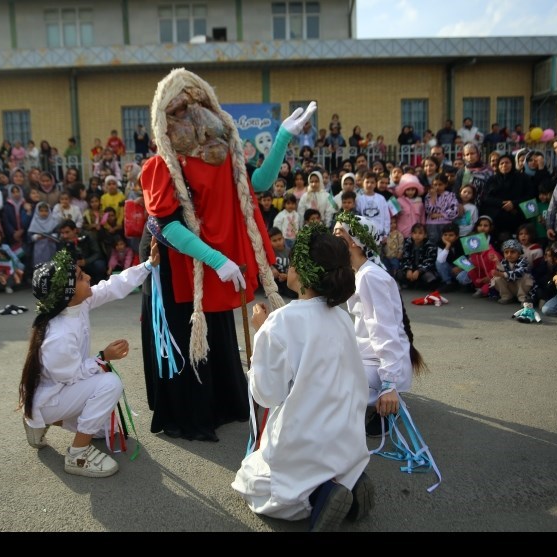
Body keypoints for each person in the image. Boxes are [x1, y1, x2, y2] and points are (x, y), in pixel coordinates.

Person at [138, 69, 308, 442]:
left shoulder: (223, 157)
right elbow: (167, 225)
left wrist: (282, 138)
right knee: (189, 332)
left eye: (198, 103)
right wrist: (216, 260)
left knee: (217, 330)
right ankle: (191, 412)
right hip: (177, 262)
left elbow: (258, 184)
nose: (193, 112)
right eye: (181, 107)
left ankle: (224, 401)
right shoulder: (162, 165)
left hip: (211, 258)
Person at [231, 223, 372, 531]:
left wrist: (261, 336)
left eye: (293, 263)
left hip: (306, 440)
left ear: (304, 272)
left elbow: (267, 394)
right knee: (328, 455)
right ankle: (348, 477)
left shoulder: (280, 321)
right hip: (348, 437)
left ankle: (320, 495)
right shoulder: (342, 317)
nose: (288, 268)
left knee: (250, 481)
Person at [18, 243, 159, 477]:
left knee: (104, 432)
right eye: (82, 277)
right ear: (68, 292)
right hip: (52, 397)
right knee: (110, 384)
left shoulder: (76, 304)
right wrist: (104, 357)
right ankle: (77, 454)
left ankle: (42, 421)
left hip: (62, 391)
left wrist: (147, 265)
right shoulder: (59, 334)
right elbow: (71, 376)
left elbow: (112, 286)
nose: (90, 277)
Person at [333, 213, 427, 438]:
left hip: (382, 363)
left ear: (354, 242)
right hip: (371, 356)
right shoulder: (359, 272)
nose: (332, 240)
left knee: (328, 383)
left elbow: (384, 331)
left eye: (338, 236)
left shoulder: (370, 277)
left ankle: (387, 403)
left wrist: (389, 384)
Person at [481, 154, 531, 243]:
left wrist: (513, 204)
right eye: (501, 163)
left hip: (518, 218)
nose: (504, 165)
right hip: (498, 221)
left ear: (512, 164)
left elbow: (529, 195)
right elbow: (486, 198)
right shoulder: (492, 180)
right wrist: (502, 203)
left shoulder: (523, 178)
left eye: (507, 162)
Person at [491, 238, 534, 305]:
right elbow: (501, 271)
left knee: (525, 276)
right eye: (506, 252)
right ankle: (507, 297)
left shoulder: (523, 262)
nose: (509, 254)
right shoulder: (504, 262)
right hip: (511, 287)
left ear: (519, 253)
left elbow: (518, 273)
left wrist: (502, 274)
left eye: (512, 252)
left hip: (521, 288)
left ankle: (523, 298)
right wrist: (497, 263)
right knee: (497, 278)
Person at [397, 223, 439, 290]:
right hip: (411, 270)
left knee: (430, 278)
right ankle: (410, 283)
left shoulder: (430, 245)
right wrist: (408, 269)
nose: (417, 235)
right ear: (411, 234)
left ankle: (419, 284)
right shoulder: (408, 243)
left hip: (423, 271)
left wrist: (419, 271)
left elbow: (430, 261)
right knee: (399, 273)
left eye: (420, 233)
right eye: (415, 233)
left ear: (425, 235)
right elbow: (405, 258)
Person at [435, 223, 467, 292]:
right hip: (450, 268)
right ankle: (448, 283)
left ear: (457, 236)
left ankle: (465, 285)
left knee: (463, 278)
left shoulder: (463, 242)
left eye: (451, 235)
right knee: (439, 263)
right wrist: (447, 246)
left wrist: (460, 267)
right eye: (445, 235)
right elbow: (440, 260)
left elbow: (469, 258)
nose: (447, 237)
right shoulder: (440, 243)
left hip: (463, 268)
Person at [28, 202, 58, 268]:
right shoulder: (34, 222)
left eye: (46, 211)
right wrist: (36, 237)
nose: (44, 213)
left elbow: (57, 233)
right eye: (41, 211)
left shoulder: (53, 221)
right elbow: (30, 236)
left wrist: (53, 236)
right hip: (38, 248)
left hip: (51, 247)